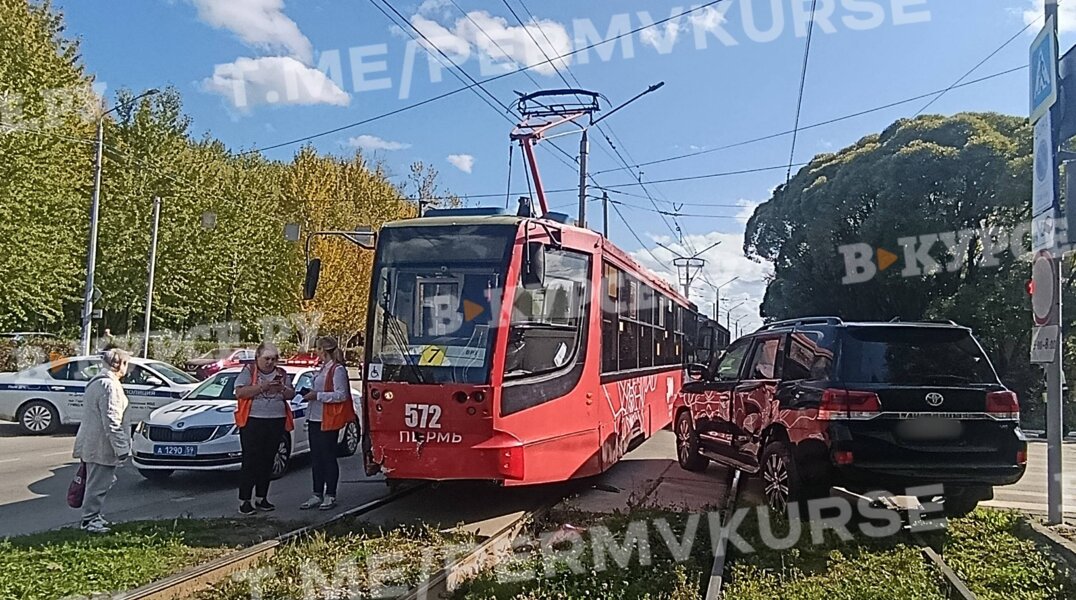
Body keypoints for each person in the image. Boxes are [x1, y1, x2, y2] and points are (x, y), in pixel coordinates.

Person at [72, 348, 132, 533]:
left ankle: (93, 516)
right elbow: (112, 421)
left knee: (97, 483)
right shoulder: (110, 386)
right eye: (126, 364)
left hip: (92, 442)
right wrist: (122, 449)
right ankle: (89, 520)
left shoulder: (96, 382)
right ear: (120, 364)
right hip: (102, 446)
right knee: (97, 486)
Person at [233, 342, 294, 515]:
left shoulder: (281, 373)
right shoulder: (249, 372)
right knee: (251, 460)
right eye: (266, 359)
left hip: (275, 419)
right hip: (253, 420)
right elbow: (239, 393)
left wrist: (282, 388)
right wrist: (262, 387)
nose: (270, 362)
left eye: (274, 359)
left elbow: (291, 394)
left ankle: (262, 497)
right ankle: (245, 500)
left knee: (268, 459)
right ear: (257, 358)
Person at [300, 336, 357, 511]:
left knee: (328, 456)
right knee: (316, 457)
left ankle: (330, 494)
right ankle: (316, 493)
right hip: (315, 417)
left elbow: (341, 395)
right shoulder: (321, 368)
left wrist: (317, 396)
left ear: (323, 350)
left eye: (317, 349)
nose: (315, 352)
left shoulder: (337, 370)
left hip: (328, 418)